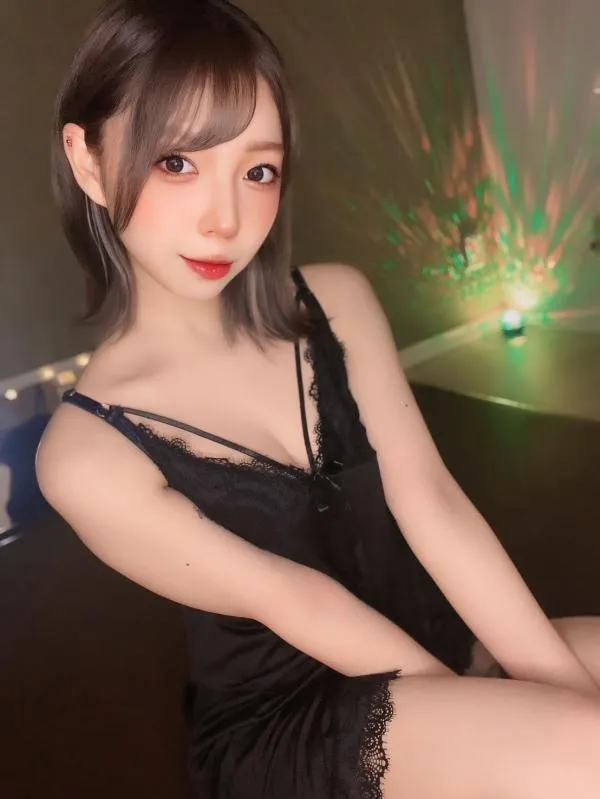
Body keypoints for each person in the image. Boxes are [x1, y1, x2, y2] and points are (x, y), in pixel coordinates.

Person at [36, 1, 600, 796]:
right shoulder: (84, 455)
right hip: (293, 720)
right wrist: (507, 717)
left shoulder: (337, 299)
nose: (226, 219)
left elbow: (431, 501)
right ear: (89, 160)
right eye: (178, 163)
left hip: (434, 636)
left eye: (257, 171)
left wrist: (550, 687)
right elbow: (298, 600)